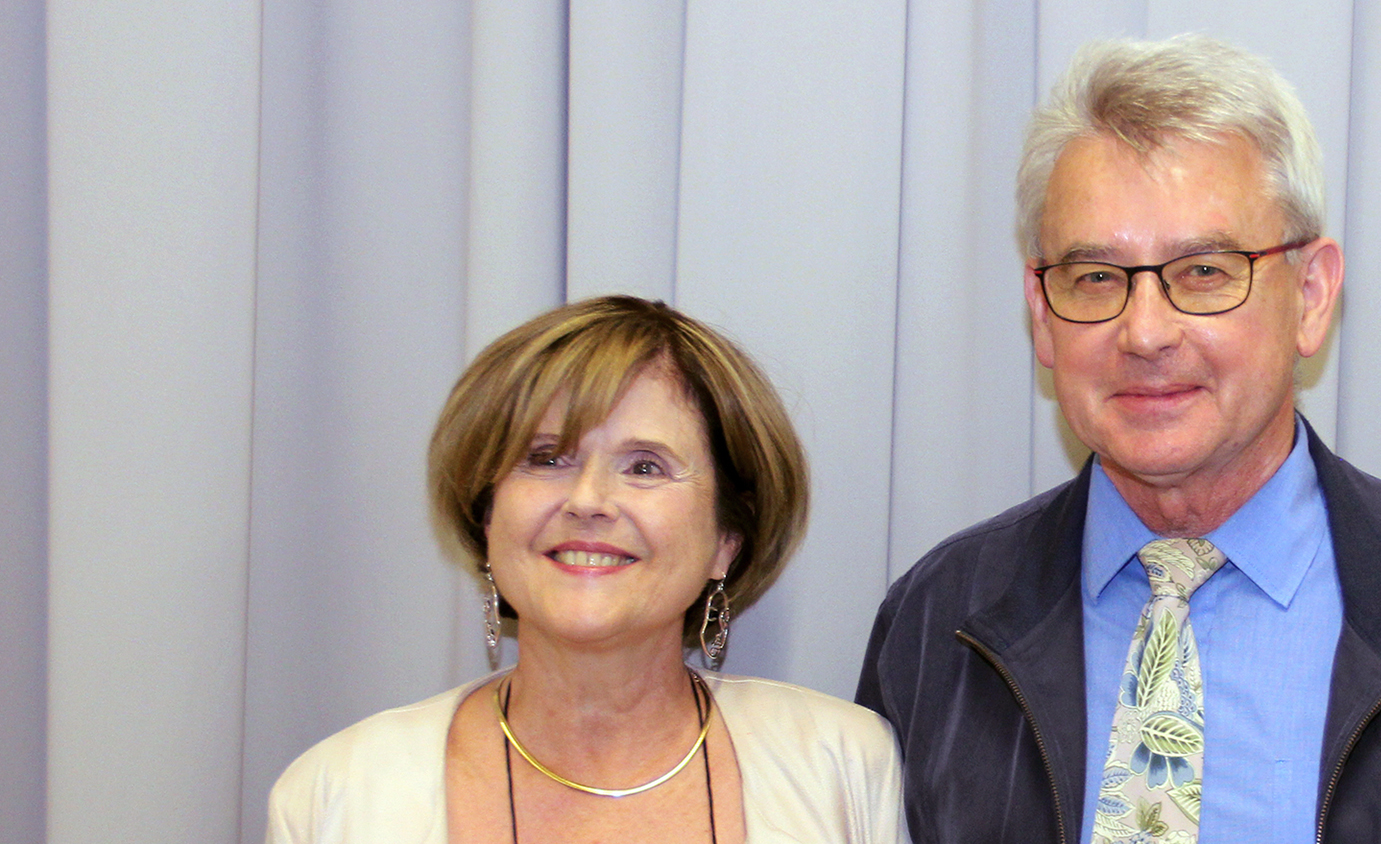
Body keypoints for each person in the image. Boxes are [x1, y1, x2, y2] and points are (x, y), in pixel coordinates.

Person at [856, 35, 1381, 844]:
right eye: (1096, 277)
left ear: (1311, 297)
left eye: (1205, 271)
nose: (1144, 332)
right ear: (1042, 313)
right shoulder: (936, 623)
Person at [269, 296, 908, 843]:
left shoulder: (844, 767)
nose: (587, 501)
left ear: (726, 541)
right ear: (485, 517)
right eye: (546, 459)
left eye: (645, 467)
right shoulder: (336, 794)